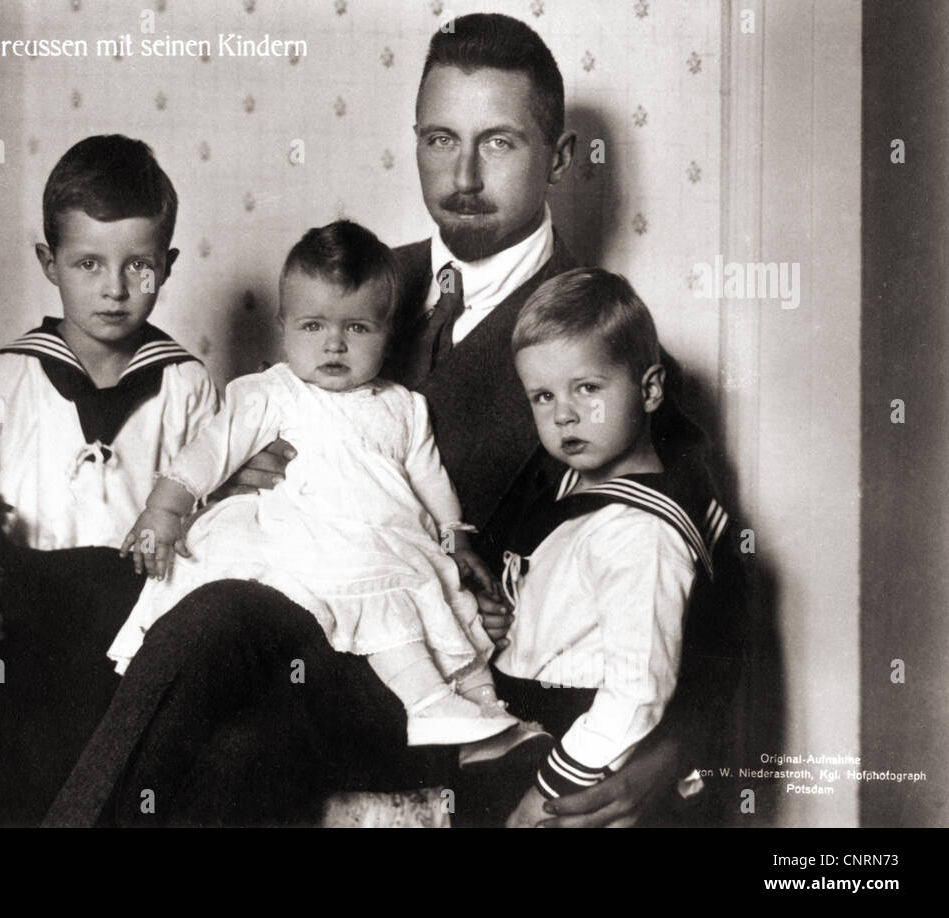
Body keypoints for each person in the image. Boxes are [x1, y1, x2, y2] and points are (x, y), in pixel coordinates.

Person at [45, 14, 744, 828]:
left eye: (500, 143)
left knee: (215, 621)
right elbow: (260, 426)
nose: (465, 173)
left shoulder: (600, 347)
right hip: (296, 620)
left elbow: (704, 579)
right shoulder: (357, 284)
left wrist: (668, 756)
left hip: (429, 671)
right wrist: (235, 487)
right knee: (118, 635)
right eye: (440, 139)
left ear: (556, 159)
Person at [0, 134, 218, 826]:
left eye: (138, 265)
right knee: (23, 806)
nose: (114, 287)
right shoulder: (6, 380)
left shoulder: (185, 386)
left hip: (139, 635)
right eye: (88, 263)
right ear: (50, 264)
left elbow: (219, 516)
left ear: (166, 265)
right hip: (26, 642)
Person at [112, 221, 519, 746]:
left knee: (435, 594)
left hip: (389, 537)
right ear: (283, 328)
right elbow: (212, 449)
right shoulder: (272, 393)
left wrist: (454, 535)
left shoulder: (404, 406)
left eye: (357, 328)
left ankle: (484, 708)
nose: (334, 344)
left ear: (386, 332)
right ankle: (428, 703)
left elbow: (429, 476)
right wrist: (164, 512)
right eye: (313, 327)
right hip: (312, 542)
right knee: (383, 598)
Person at [494, 268, 732, 827]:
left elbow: (635, 689)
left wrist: (549, 789)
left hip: (583, 743)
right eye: (543, 396)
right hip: (534, 717)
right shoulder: (571, 491)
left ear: (650, 390)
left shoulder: (640, 531)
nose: (564, 414)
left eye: (588, 388)